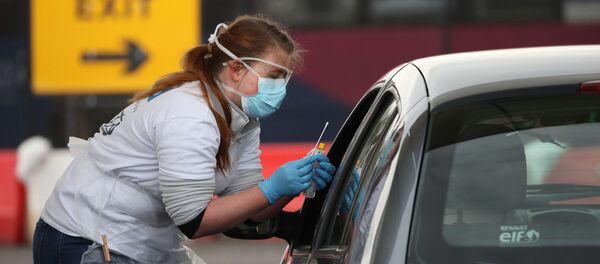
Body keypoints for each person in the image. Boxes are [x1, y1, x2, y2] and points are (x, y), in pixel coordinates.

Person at [32, 14, 336, 263]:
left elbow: (246, 212)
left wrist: (294, 185)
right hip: (83, 239)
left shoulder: (241, 119)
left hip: (133, 242)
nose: (280, 88)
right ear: (235, 70)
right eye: (273, 76)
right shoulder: (191, 115)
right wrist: (274, 186)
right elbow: (195, 221)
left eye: (284, 79)